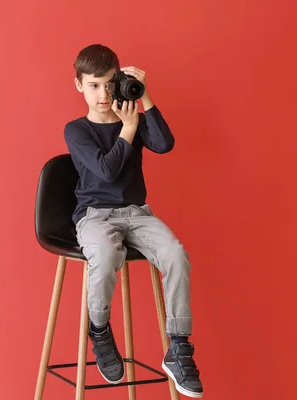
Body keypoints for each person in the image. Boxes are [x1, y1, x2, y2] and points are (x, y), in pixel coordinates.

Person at [63, 44, 203, 398]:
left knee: (175, 254)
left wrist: (145, 99)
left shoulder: (133, 118)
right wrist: (127, 130)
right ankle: (98, 330)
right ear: (79, 85)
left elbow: (165, 144)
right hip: (95, 216)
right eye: (93, 85)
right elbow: (107, 172)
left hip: (137, 213)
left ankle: (178, 345)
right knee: (107, 257)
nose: (102, 94)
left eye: (110, 84)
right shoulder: (76, 130)